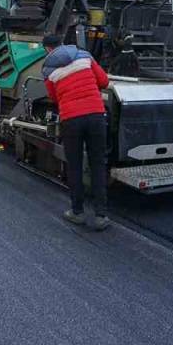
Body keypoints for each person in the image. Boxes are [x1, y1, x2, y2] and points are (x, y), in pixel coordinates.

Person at [41, 33, 112, 231]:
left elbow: (54, 97)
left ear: (47, 49)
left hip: (71, 119)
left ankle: (77, 212)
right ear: (62, 43)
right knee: (98, 164)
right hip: (96, 114)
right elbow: (104, 82)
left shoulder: (47, 69)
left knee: (75, 166)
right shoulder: (84, 56)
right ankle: (101, 215)